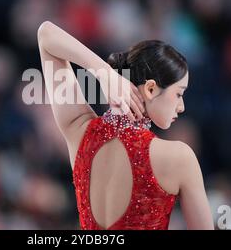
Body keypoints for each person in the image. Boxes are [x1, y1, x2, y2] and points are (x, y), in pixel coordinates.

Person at [37, 21, 214, 230]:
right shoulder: (180, 158)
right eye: (179, 93)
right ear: (150, 89)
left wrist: (103, 71)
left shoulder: (79, 129)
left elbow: (46, 35)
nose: (181, 106)